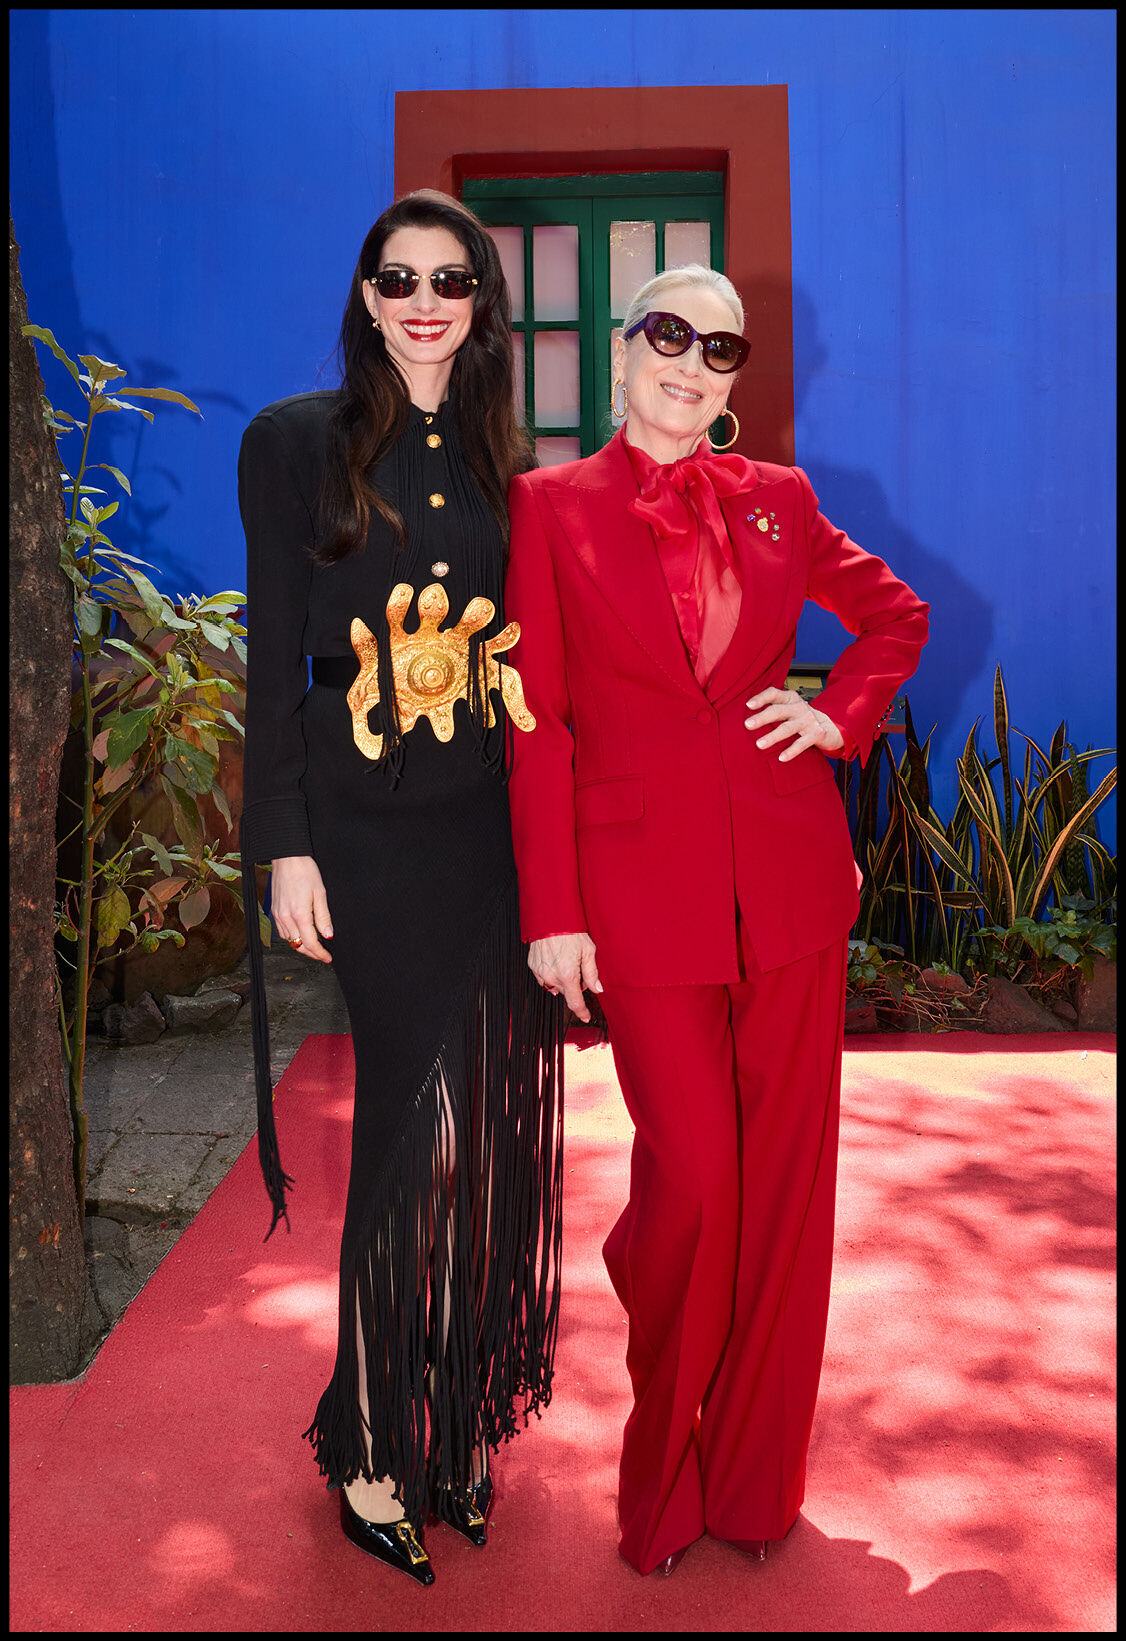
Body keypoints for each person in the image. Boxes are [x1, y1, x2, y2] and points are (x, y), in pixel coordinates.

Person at [503, 265, 929, 1577]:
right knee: (691, 1182)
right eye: (669, 334)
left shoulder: (779, 501)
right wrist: (550, 911)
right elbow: (538, 724)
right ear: (625, 348)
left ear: (738, 378)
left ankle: (750, 1486)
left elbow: (893, 617)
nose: (691, 362)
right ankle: (662, 1474)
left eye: (720, 347)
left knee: (786, 1194)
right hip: (636, 903)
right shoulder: (545, 506)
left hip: (792, 889)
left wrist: (835, 715)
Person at [237, 189, 566, 1586]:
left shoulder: (511, 467)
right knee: (409, 1130)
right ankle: (369, 1434)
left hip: (486, 830)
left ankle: (459, 1425)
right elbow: (270, 661)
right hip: (363, 834)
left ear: (482, 301)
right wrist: (280, 840)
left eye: (451, 278)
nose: (424, 298)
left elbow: (550, 669)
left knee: (483, 1132)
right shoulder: (295, 441)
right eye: (398, 277)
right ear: (366, 296)